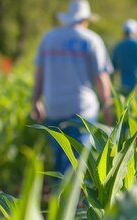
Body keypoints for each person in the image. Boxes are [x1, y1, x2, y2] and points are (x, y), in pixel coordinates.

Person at [30, 0, 113, 174]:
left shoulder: (48, 38)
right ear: (86, 19)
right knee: (79, 160)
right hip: (81, 109)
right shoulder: (91, 40)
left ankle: (59, 197)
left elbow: (39, 74)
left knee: (59, 156)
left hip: (53, 107)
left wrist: (36, 102)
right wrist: (107, 105)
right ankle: (74, 199)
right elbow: (101, 77)